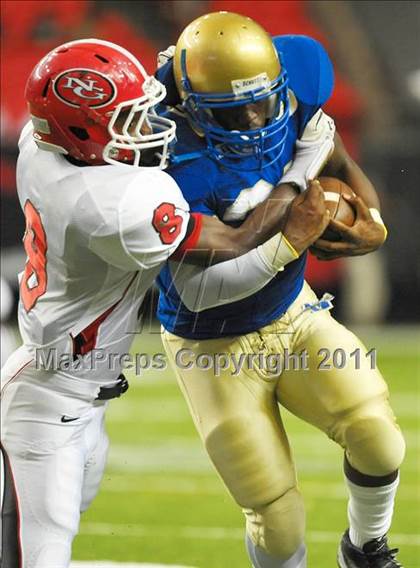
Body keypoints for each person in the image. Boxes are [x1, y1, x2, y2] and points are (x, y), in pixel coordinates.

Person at [0, 38, 329, 568]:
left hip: (77, 393)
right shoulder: (116, 203)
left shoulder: (42, 147)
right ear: (82, 133)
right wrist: (295, 183)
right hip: (49, 400)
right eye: (127, 121)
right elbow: (235, 239)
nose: (149, 126)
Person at [154, 12, 405, 568]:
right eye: (231, 109)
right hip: (212, 345)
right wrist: (291, 237)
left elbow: (335, 156)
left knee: (378, 436)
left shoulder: (294, 96)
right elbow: (201, 292)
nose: (251, 119)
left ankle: (366, 549)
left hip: (293, 315)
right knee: (276, 513)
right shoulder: (165, 159)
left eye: (262, 102)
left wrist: (373, 221)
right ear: (192, 105)